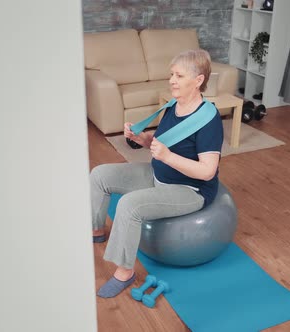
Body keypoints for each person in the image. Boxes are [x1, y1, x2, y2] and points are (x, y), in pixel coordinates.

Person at [90, 49, 224, 298]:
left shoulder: (209, 119)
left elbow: (207, 171)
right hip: (158, 175)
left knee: (129, 205)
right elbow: (163, 142)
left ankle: (124, 272)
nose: (172, 80)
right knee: (99, 174)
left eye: (179, 75)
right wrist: (142, 139)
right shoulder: (173, 106)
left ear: (198, 80)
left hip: (190, 190)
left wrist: (167, 156)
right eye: (172, 74)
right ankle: (96, 230)